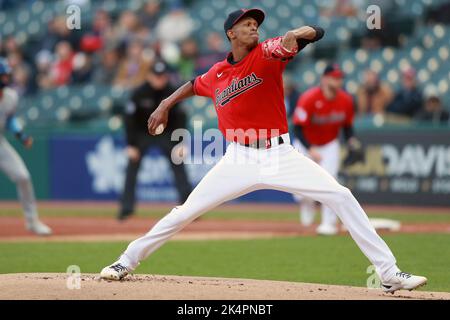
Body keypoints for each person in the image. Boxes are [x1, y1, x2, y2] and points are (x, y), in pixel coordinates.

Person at [101, 8, 427, 293]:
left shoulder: (268, 52)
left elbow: (309, 36)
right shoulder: (217, 74)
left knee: (340, 195)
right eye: (246, 23)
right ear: (231, 33)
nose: (254, 26)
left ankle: (388, 273)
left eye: (256, 22)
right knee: (185, 212)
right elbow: (194, 84)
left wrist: (299, 35)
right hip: (239, 158)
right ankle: (125, 261)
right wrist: (165, 103)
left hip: (280, 154)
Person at [118, 59, 192, 220]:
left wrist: (180, 143)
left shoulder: (173, 92)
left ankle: (189, 209)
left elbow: (181, 118)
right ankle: (126, 208)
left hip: (168, 134)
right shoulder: (139, 93)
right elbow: (129, 120)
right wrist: (131, 145)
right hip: (142, 134)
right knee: (132, 167)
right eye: (156, 76)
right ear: (149, 76)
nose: (159, 79)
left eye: (162, 76)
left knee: (179, 165)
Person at [291, 64, 356, 236]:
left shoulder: (346, 100)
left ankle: (328, 223)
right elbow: (297, 127)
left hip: (329, 144)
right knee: (300, 186)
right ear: (324, 79)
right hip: (306, 144)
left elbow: (347, 126)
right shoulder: (309, 98)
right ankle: (308, 208)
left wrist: (351, 141)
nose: (338, 80)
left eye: (340, 77)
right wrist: (310, 148)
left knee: (331, 183)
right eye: (335, 77)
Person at [0, 58, 52, 236]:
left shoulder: (10, 96)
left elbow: (9, 120)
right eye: (3, 75)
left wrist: (21, 136)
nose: (5, 78)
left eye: (7, 75)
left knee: (23, 177)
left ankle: (32, 222)